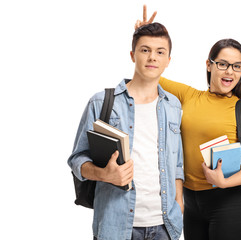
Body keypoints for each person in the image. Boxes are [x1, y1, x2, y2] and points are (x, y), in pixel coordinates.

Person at [135, 7, 241, 240]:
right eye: (222, 64)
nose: (229, 71)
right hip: (191, 205)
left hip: (231, 204)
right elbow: (150, 72)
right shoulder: (190, 96)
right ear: (209, 65)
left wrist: (226, 181)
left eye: (237, 66)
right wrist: (144, 38)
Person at [68, 22, 184, 240]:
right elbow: (77, 159)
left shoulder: (173, 106)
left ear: (168, 60)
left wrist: (180, 207)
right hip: (117, 227)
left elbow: (177, 165)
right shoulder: (102, 102)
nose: (152, 57)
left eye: (160, 52)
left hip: (165, 227)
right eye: (145, 50)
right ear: (132, 55)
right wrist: (104, 174)